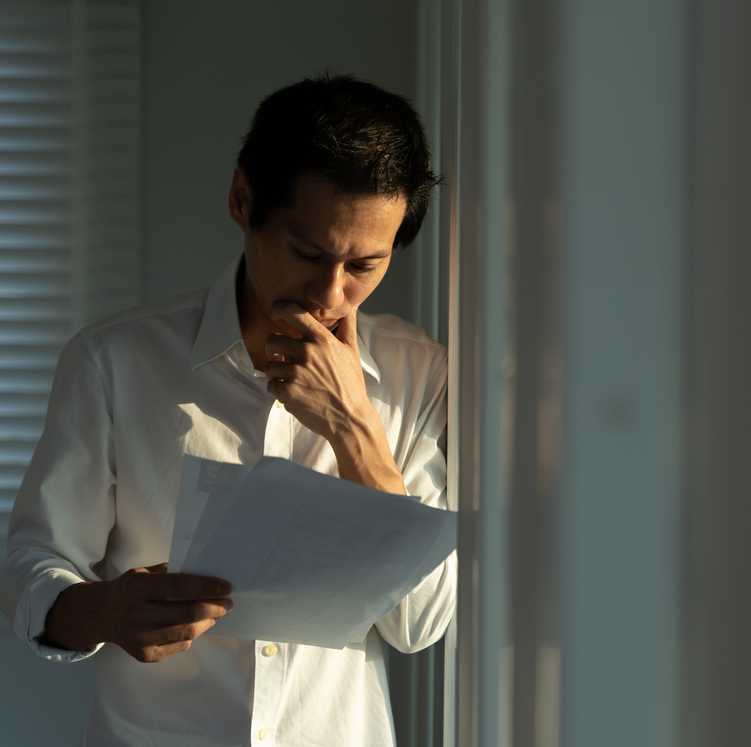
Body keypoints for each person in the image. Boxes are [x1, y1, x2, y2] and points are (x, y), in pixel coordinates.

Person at [0, 73, 455, 746]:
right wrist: (105, 610)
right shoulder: (114, 362)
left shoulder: (417, 374)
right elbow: (30, 566)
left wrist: (356, 428)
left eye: (365, 265)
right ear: (242, 199)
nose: (332, 293)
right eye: (308, 253)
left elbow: (419, 623)